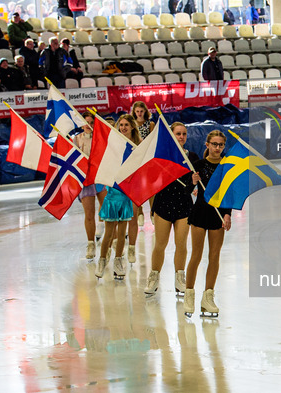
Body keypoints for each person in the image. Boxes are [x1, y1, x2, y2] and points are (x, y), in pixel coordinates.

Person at [144, 122, 200, 295]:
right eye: (178, 134)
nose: (181, 137)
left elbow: (189, 189)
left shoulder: (192, 158)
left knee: (181, 244)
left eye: (184, 134)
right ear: (172, 136)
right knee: (160, 244)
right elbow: (153, 181)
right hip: (163, 204)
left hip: (184, 205)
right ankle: (154, 277)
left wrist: (194, 184)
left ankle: (179, 278)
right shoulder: (162, 157)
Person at [184, 130, 232, 318]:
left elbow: (230, 193)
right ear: (207, 145)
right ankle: (189, 294)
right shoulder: (198, 164)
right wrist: (192, 181)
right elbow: (187, 189)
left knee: (214, 256)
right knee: (196, 255)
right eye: (214, 144)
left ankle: (208, 297)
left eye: (220, 145)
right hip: (199, 213)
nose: (217, 148)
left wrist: (227, 214)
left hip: (218, 215)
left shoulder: (227, 166)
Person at [95, 115, 142, 280]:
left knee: (122, 232)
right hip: (113, 193)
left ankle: (118, 260)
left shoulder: (136, 148)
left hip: (127, 194)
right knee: (109, 233)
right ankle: (101, 260)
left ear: (132, 127)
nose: (123, 127)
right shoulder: (113, 146)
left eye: (126, 125)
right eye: (120, 125)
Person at [73, 111, 107, 260]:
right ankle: (91, 244)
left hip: (100, 178)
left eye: (91, 123)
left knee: (106, 210)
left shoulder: (100, 138)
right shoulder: (77, 139)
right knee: (89, 214)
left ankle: (110, 241)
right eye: (86, 122)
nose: (89, 125)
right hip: (85, 181)